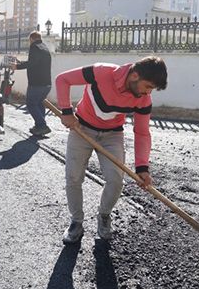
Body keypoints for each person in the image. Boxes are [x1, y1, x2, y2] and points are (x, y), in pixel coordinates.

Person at [54, 56, 168, 243]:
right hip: (81, 128)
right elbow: (62, 80)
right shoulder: (101, 72)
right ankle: (76, 221)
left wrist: (142, 168)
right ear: (134, 76)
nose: (148, 93)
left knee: (116, 180)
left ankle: (104, 216)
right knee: (73, 177)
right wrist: (66, 111)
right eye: (147, 86)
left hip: (113, 135)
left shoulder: (143, 99)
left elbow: (142, 132)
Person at [12, 31, 53, 136]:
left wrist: (17, 67)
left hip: (37, 84)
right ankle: (39, 127)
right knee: (39, 103)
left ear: (31, 39)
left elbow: (32, 63)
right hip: (47, 84)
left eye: (29, 40)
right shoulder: (44, 47)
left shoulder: (34, 47)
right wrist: (20, 62)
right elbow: (35, 62)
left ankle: (42, 125)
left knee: (31, 104)